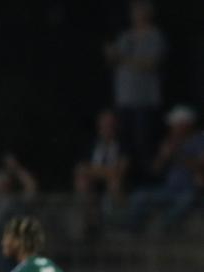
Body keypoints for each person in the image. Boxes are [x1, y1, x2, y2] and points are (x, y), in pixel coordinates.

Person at [104, 0, 166, 179]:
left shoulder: (155, 36)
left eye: (139, 11)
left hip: (144, 99)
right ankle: (126, 181)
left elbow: (150, 63)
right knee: (124, 143)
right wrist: (111, 55)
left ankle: (149, 180)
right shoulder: (125, 36)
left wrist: (122, 57)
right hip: (124, 98)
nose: (135, 14)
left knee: (143, 142)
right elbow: (114, 63)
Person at [126, 105, 204, 232]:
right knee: (138, 196)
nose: (172, 127)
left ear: (186, 124)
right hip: (169, 189)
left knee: (186, 201)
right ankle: (133, 229)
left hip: (190, 190)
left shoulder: (200, 140)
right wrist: (163, 156)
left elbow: (200, 166)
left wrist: (176, 154)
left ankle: (161, 228)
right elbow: (155, 170)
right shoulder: (170, 141)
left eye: (175, 124)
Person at [73, 110, 128, 234]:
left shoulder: (122, 145)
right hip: (94, 182)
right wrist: (105, 173)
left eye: (110, 124)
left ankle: (114, 224)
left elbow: (120, 170)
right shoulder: (91, 144)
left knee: (114, 183)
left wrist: (94, 171)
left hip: (114, 182)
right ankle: (88, 222)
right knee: (82, 182)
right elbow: (80, 168)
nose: (107, 128)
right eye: (104, 124)